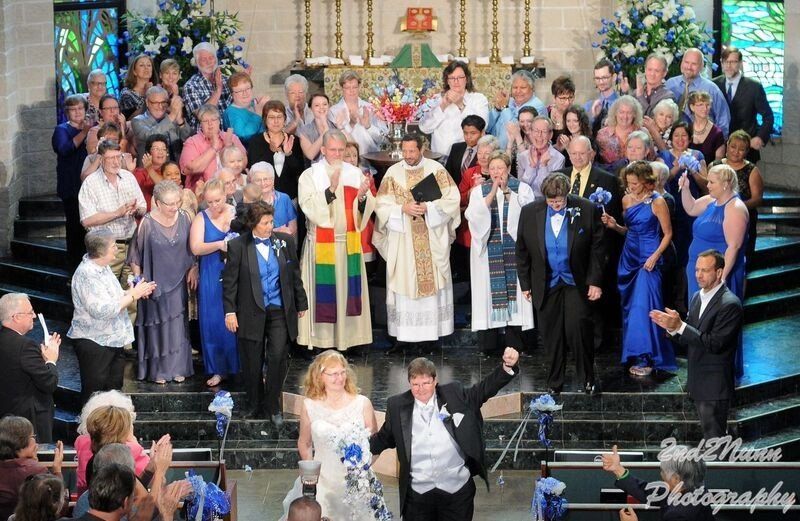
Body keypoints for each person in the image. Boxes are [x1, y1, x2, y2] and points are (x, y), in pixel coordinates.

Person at [370, 349, 520, 519]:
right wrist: (358, 452)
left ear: (435, 381)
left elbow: (483, 390)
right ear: (409, 383)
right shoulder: (397, 406)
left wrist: (507, 366)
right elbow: (384, 438)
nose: (420, 389)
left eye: (426, 383)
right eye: (415, 384)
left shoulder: (454, 394)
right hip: (417, 496)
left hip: (456, 492)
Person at [516, 173, 605, 394]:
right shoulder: (529, 213)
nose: (556, 205)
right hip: (546, 283)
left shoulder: (586, 208)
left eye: (560, 201)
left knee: (579, 330)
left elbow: (598, 248)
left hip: (576, 280)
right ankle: (554, 382)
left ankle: (587, 379)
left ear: (568, 194)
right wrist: (526, 284)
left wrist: (595, 281)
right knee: (551, 335)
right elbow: (522, 251)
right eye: (551, 201)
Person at [222, 202, 308, 424]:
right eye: (266, 223)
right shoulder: (238, 246)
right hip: (250, 311)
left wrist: (301, 302)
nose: (271, 226)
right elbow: (229, 283)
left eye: (271, 221)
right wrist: (230, 311)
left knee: (278, 356)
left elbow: (293, 276)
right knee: (252, 361)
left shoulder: (285, 242)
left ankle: (272, 406)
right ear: (253, 224)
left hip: (279, 309)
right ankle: (254, 405)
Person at [373, 134, 460, 348]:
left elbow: (452, 198)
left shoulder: (436, 170)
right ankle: (403, 338)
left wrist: (429, 208)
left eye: (412, 151)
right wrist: (402, 208)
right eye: (405, 151)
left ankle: (431, 337)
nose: (408, 156)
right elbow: (381, 204)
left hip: (430, 238)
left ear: (422, 149)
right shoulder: (393, 173)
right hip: (403, 240)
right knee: (404, 283)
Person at [651, 250, 744, 441]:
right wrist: (673, 329)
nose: (698, 275)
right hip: (698, 383)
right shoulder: (696, 297)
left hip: (714, 387)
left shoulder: (730, 304)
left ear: (719, 273)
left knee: (715, 441)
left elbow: (714, 343)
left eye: (705, 270)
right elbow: (690, 337)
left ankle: (721, 471)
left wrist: (681, 326)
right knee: (709, 438)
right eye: (697, 270)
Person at [297, 130, 375, 351]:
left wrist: (362, 197)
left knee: (348, 292)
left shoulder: (355, 173)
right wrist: (330, 190)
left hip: (348, 244)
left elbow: (367, 207)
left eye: (341, 150)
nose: (338, 154)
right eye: (333, 150)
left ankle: (349, 340)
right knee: (324, 293)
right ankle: (321, 341)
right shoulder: (310, 176)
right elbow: (309, 206)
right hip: (322, 245)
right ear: (322, 150)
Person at [282, 351, 379, 519]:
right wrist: (310, 473)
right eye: (334, 374)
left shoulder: (362, 403)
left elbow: (376, 443)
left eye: (343, 372)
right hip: (322, 480)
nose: (340, 378)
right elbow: (304, 443)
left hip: (356, 481)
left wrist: (363, 468)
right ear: (320, 376)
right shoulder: (309, 405)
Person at [601, 161, 676, 376]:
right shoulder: (625, 200)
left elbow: (668, 234)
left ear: (645, 182)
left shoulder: (658, 202)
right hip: (629, 258)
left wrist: (655, 256)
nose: (631, 187)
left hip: (649, 259)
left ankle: (648, 357)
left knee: (644, 308)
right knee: (630, 308)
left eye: (635, 183)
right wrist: (615, 226)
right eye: (629, 183)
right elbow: (630, 231)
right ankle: (634, 353)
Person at [68, 231, 156, 403]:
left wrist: (131, 291)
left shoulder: (103, 267)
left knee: (113, 392)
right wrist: (133, 296)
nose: (117, 249)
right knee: (95, 395)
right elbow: (102, 311)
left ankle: (111, 429)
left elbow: (111, 297)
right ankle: (91, 429)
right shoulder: (87, 274)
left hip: (112, 339)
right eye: (113, 246)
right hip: (94, 341)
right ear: (101, 252)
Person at [680, 164, 748, 377]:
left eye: (711, 182)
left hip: (717, 274)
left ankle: (720, 368)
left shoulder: (735, 208)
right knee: (698, 317)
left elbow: (734, 247)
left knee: (717, 320)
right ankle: (700, 364)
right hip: (698, 269)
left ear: (726, 184)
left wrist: (721, 279)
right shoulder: (711, 201)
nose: (707, 185)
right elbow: (690, 208)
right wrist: (685, 188)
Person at [558, 136, 624, 354]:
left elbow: (612, 217)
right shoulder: (559, 177)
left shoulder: (606, 180)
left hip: (594, 249)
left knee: (593, 295)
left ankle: (595, 342)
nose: (577, 157)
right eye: (573, 153)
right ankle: (570, 340)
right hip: (565, 248)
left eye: (582, 153)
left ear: (591, 154)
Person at [465, 151, 535, 354]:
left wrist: (509, 195)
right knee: (488, 294)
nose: (496, 172)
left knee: (516, 297)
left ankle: (516, 343)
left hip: (515, 251)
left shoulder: (522, 189)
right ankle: (489, 345)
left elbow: (527, 216)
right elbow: (473, 215)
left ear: (508, 169)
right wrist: (492, 193)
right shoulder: (480, 191)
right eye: (493, 168)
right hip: (488, 252)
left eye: (500, 169)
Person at [128, 181, 197, 384]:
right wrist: (140, 283)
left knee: (177, 326)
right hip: (154, 283)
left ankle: (177, 368)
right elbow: (135, 256)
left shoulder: (186, 217)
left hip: (178, 282)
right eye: (169, 203)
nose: (174, 207)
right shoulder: (147, 223)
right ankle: (158, 371)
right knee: (157, 327)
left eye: (177, 202)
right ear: (157, 202)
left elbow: (192, 249)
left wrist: (194, 267)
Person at [78, 139, 147, 295]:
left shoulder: (128, 177)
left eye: (119, 157)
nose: (116, 162)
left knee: (132, 293)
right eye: (111, 158)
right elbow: (86, 220)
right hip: (106, 249)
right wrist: (118, 212)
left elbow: (143, 208)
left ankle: (130, 320)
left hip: (132, 247)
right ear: (102, 159)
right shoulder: (91, 183)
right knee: (107, 294)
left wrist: (136, 210)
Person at [189, 179, 239, 387]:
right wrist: (220, 244)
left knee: (236, 319)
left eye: (217, 200)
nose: (214, 205)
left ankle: (239, 366)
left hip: (233, 273)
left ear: (225, 195)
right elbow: (196, 248)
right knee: (213, 320)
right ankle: (218, 369)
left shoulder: (235, 213)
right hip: (210, 271)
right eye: (209, 202)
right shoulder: (201, 218)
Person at [658, 121, 708, 315]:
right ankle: (672, 299)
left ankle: (686, 300)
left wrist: (693, 170)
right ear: (671, 139)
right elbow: (661, 181)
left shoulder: (697, 155)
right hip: (670, 210)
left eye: (684, 136)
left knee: (688, 255)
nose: (680, 139)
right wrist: (676, 167)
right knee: (674, 255)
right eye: (676, 136)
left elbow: (705, 185)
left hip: (691, 212)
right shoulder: (663, 156)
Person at [0, 294, 60, 443]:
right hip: (29, 423)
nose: (33, 315)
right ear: (17, 317)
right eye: (30, 312)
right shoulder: (26, 346)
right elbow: (49, 382)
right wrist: (51, 360)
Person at [602, 444, 714, 520]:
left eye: (663, 472)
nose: (661, 475)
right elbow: (647, 492)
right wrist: (617, 469)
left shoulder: (677, 515)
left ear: (676, 479)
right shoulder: (695, 488)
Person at [73, 390, 148, 494]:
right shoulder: (131, 450)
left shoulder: (81, 441)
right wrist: (134, 441)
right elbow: (149, 478)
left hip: (83, 499)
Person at [713, 46, 774, 163]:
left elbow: (768, 117)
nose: (729, 66)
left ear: (740, 63)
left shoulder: (754, 87)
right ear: (721, 63)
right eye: (725, 62)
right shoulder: (714, 85)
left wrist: (760, 137)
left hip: (746, 149)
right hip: (719, 148)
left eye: (733, 62)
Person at [709, 130, 763, 260]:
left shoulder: (752, 170)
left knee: (741, 259)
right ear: (727, 145)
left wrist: (735, 208)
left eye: (741, 149)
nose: (736, 151)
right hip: (717, 219)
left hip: (743, 220)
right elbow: (707, 192)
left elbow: (757, 199)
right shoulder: (714, 165)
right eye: (733, 147)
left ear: (747, 151)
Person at [418, 60, 489, 159]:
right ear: (447, 81)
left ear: (467, 79)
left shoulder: (479, 99)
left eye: (460, 77)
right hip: (439, 157)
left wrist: (461, 105)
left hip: (467, 158)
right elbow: (424, 128)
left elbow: (482, 126)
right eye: (452, 78)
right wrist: (442, 106)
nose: (456, 81)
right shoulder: (437, 99)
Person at [52, 94, 91, 271]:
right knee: (75, 226)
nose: (77, 112)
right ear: (67, 112)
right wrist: (84, 132)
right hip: (71, 185)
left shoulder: (92, 129)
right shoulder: (61, 130)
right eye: (73, 109)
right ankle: (74, 266)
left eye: (80, 108)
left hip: (88, 184)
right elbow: (64, 149)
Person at [0, 416, 62, 521]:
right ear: (25, 440)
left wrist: (33, 462)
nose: (35, 441)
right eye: (33, 436)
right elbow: (55, 506)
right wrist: (57, 470)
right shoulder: (36, 471)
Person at [247, 100, 305, 202]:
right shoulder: (255, 142)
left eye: (279, 117)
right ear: (265, 120)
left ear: (285, 119)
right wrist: (271, 152)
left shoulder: (294, 141)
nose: (276, 121)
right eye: (271, 117)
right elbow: (254, 171)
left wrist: (288, 154)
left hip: (290, 198)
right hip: (263, 199)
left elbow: (300, 171)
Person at [665, 47, 730, 137]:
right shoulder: (670, 84)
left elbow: (723, 119)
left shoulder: (711, 89)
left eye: (694, 64)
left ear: (701, 66)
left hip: (703, 142)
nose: (689, 67)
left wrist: (717, 143)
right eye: (686, 62)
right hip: (672, 141)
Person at [180, 104, 247, 191]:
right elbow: (191, 168)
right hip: (204, 193)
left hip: (233, 188)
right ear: (200, 124)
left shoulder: (231, 137)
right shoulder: (192, 142)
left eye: (213, 120)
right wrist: (213, 148)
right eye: (205, 121)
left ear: (219, 121)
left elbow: (244, 162)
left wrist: (229, 149)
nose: (210, 124)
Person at [456, 134, 500, 251]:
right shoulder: (470, 173)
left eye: (487, 153)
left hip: (496, 225)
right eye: (480, 153)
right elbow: (459, 200)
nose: (482, 157)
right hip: (472, 229)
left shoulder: (500, 172)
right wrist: (472, 190)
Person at [330, 70, 387, 156]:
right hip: (346, 159)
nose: (351, 91)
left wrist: (368, 126)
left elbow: (383, 139)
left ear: (359, 87)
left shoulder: (371, 108)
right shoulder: (334, 111)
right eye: (348, 88)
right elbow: (332, 141)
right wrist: (350, 125)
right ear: (342, 88)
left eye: (354, 87)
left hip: (372, 159)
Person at [130, 86, 191, 165]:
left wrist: (180, 120)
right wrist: (172, 116)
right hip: (150, 171)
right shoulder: (138, 120)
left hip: (175, 170)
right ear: (147, 102)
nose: (160, 106)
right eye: (155, 103)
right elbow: (150, 136)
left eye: (163, 102)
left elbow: (189, 140)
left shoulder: (172, 118)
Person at [487, 69, 546, 150]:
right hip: (494, 150)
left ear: (532, 88)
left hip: (517, 153)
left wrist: (504, 107)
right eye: (515, 87)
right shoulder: (509, 101)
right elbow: (487, 127)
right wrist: (497, 108)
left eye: (523, 87)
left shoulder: (537, 106)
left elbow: (515, 130)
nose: (518, 91)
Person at [183, 42, 233, 130]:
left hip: (228, 134)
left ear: (216, 59)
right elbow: (202, 115)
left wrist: (243, 85)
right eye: (203, 59)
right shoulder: (190, 86)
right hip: (204, 137)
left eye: (211, 57)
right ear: (197, 62)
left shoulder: (227, 80)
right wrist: (218, 90)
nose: (208, 62)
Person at [342, 142, 378, 263]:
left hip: (362, 222)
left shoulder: (366, 176)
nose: (352, 159)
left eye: (354, 155)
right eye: (347, 156)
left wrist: (362, 196)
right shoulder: (336, 176)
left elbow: (373, 200)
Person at [594, 95, 648, 172]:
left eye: (629, 113)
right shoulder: (602, 134)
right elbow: (597, 162)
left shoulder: (643, 133)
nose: (625, 116)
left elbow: (651, 158)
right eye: (621, 112)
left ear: (635, 115)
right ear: (615, 113)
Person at [516, 116, 566, 197]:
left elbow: (550, 190)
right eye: (536, 131)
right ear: (531, 133)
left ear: (550, 135)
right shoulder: (522, 157)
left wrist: (543, 166)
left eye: (544, 131)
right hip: (525, 202)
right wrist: (532, 166)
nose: (539, 135)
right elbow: (521, 188)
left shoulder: (559, 159)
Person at [248, 161, 297, 235]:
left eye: (266, 179)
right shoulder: (248, 202)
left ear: (273, 180)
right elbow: (249, 232)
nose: (263, 183)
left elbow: (293, 227)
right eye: (258, 180)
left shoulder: (284, 198)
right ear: (252, 183)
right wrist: (277, 231)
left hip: (284, 242)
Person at [222, 71, 268, 146]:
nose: (245, 93)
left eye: (247, 88)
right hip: (246, 154)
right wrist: (258, 114)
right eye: (240, 91)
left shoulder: (255, 104)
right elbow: (244, 136)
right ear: (232, 94)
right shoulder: (231, 112)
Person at [443, 114, 485, 186]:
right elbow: (447, 173)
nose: (468, 137)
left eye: (473, 133)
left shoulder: (487, 152)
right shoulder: (456, 148)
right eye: (465, 133)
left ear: (482, 133)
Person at [132, 134, 170, 210]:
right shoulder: (140, 173)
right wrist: (130, 171)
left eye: (163, 149)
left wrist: (150, 170)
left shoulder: (171, 170)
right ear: (148, 153)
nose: (161, 152)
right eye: (156, 149)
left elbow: (167, 188)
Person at [298, 93, 339, 163]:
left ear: (329, 106)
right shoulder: (304, 131)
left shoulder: (336, 125)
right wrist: (325, 131)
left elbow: (350, 146)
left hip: (337, 166)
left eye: (325, 104)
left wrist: (341, 127)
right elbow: (310, 155)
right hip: (316, 170)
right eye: (317, 105)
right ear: (311, 108)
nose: (321, 107)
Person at [86, 94, 129, 158]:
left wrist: (123, 127)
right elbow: (93, 156)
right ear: (101, 112)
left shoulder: (128, 127)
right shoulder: (94, 131)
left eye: (115, 108)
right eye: (108, 108)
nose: (112, 111)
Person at [687, 90, 726, 162]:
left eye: (707, 105)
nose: (705, 108)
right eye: (701, 104)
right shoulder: (686, 129)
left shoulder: (717, 133)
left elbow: (718, 161)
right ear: (692, 107)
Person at [584, 58, 620, 134]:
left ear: (614, 77)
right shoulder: (588, 106)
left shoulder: (622, 105)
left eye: (604, 78)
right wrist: (593, 116)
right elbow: (583, 132)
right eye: (597, 78)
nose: (601, 82)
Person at [119, 54, 157, 119]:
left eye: (149, 65)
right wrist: (147, 96)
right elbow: (130, 119)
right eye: (141, 65)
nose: (146, 68)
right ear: (134, 71)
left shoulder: (157, 90)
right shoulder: (127, 94)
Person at [546, 76, 576, 145]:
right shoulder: (545, 113)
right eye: (563, 98)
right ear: (554, 98)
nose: (567, 102)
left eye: (570, 97)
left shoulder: (577, 115)